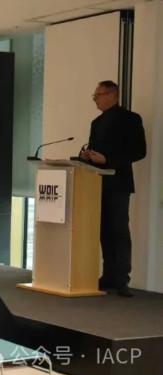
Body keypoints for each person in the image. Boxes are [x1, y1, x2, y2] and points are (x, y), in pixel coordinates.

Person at [81, 80, 147, 297]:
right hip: (97, 182)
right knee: (103, 230)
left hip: (118, 182)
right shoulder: (96, 122)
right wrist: (87, 157)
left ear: (112, 95)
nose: (95, 100)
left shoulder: (131, 119)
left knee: (119, 230)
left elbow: (139, 151)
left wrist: (108, 158)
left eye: (97, 95)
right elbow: (94, 149)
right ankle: (108, 275)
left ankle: (122, 279)